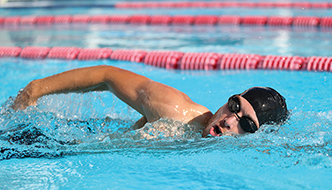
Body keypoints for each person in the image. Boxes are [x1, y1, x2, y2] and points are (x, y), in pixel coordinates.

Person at [12, 65, 288, 137]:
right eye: (234, 106)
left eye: (247, 125)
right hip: (52, 142)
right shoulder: (175, 112)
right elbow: (107, 76)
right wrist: (36, 89)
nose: (229, 121)